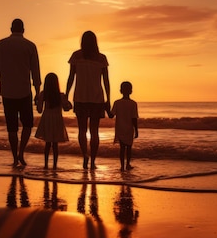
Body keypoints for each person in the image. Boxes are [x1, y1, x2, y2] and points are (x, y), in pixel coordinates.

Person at [0, 18, 41, 167]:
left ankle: (14, 157)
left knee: (11, 128)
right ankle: (21, 153)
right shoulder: (30, 46)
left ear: (11, 29)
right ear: (23, 29)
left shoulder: (1, 44)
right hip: (24, 91)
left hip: (7, 91)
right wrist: (37, 93)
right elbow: (35, 72)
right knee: (27, 125)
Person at [65, 31, 110, 169]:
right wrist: (108, 99)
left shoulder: (76, 56)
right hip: (97, 98)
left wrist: (66, 95)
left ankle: (85, 154)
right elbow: (106, 81)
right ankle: (93, 161)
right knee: (94, 131)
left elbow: (71, 77)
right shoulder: (101, 58)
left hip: (80, 97)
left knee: (82, 130)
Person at [35, 73, 72, 169]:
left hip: (47, 118)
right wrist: (69, 104)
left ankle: (46, 165)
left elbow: (39, 110)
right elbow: (66, 109)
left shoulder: (43, 94)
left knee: (47, 144)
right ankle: (55, 165)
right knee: (55, 145)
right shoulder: (60, 95)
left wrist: (37, 102)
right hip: (57, 119)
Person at [109, 81, 139, 171]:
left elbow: (111, 115)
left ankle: (122, 166)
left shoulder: (117, 103)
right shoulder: (133, 103)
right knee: (129, 148)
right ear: (131, 91)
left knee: (122, 149)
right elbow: (134, 118)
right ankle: (128, 164)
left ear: (120, 91)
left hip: (120, 128)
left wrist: (106, 107)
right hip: (129, 129)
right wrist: (136, 130)